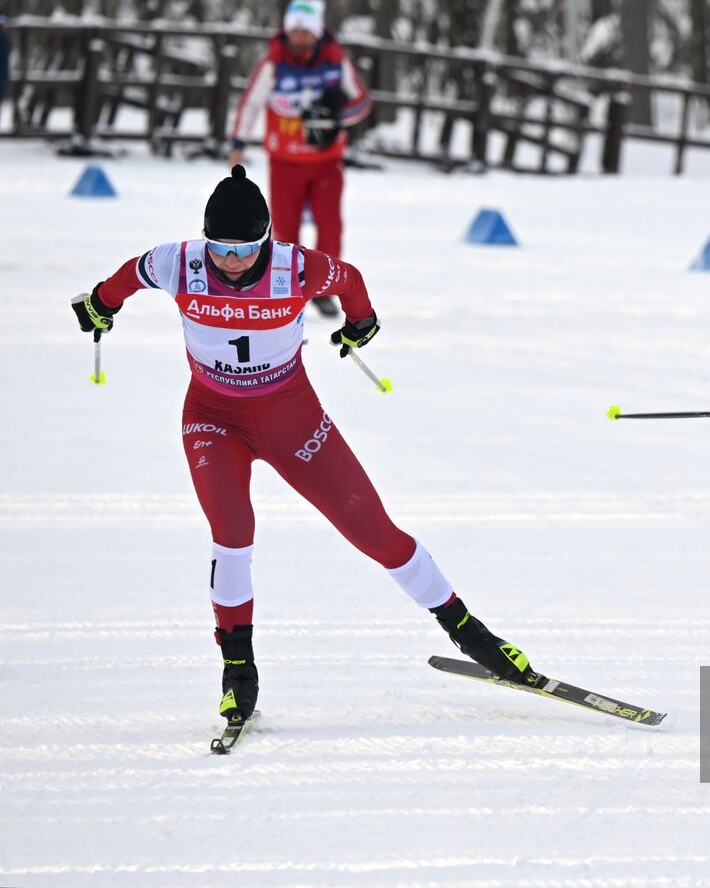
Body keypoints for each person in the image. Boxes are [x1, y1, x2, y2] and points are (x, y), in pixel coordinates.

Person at [70, 166, 533, 726]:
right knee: (233, 533)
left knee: (372, 529)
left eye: (245, 248)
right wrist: (101, 304)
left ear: (266, 239)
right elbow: (125, 278)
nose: (231, 260)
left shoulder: (298, 267)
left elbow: (351, 279)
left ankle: (470, 631)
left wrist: (361, 322)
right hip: (214, 419)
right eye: (219, 247)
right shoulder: (177, 262)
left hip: (291, 417)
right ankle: (238, 667)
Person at [228, 0, 372, 317]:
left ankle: (324, 288)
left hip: (325, 162)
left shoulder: (336, 61)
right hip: (284, 162)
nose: (300, 37)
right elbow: (251, 103)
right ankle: (287, 289)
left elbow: (362, 102)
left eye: (307, 31)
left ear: (318, 32)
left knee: (329, 226)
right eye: (295, 30)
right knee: (285, 228)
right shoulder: (273, 63)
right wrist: (238, 141)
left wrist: (337, 116)